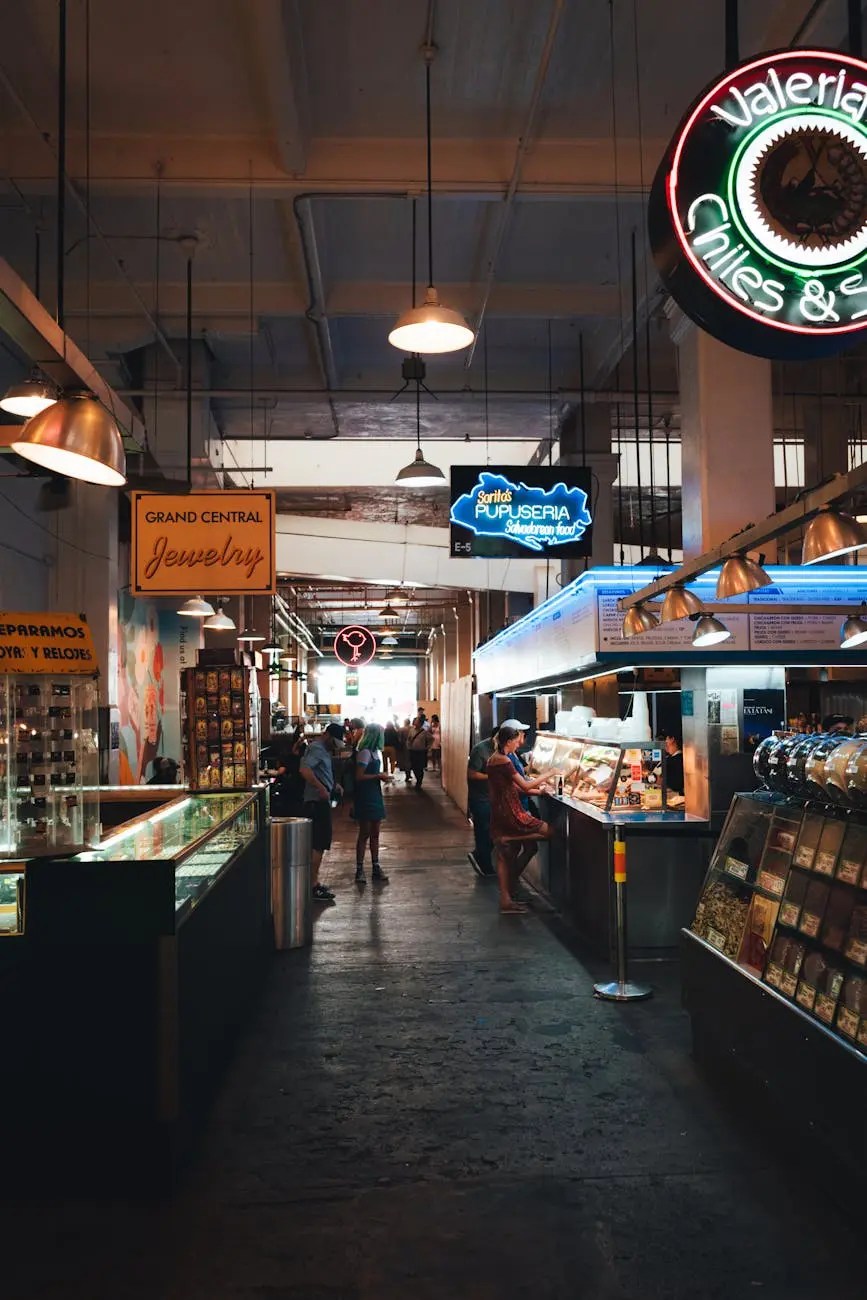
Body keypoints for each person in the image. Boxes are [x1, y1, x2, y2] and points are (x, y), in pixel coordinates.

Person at [487, 726, 555, 913]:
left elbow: (513, 787)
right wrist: (549, 774)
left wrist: (540, 792)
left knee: (504, 856)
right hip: (512, 810)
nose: (519, 744)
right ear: (508, 741)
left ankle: (506, 900)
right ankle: (509, 837)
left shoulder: (493, 759)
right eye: (517, 741)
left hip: (499, 810)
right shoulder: (504, 761)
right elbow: (524, 786)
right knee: (550, 832)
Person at [299, 722, 345, 904]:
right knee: (319, 842)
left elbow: (319, 772)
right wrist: (320, 788)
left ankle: (314, 882)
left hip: (321, 800)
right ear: (327, 735)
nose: (335, 747)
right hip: (316, 802)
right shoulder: (317, 749)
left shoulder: (323, 750)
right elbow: (304, 770)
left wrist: (332, 785)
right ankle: (312, 885)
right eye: (334, 742)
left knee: (320, 843)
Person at [353, 723, 393, 884]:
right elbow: (359, 776)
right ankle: (359, 868)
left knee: (375, 832)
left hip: (374, 793)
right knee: (365, 832)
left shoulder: (375, 752)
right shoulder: (364, 753)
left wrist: (380, 776)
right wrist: (378, 776)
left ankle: (376, 866)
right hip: (366, 795)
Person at [466, 726, 498, 874]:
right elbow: (471, 774)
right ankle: (485, 865)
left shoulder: (504, 750)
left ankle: (479, 855)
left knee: (491, 832)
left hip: (493, 797)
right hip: (480, 798)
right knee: (483, 831)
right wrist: (492, 776)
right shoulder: (480, 750)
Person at [408, 717, 432, 789]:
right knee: (414, 767)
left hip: (421, 752)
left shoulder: (424, 732)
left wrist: (428, 747)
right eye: (415, 721)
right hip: (413, 751)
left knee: (420, 767)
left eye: (417, 721)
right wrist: (408, 746)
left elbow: (431, 739)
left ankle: (419, 781)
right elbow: (409, 739)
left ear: (420, 723)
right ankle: (418, 779)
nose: (415, 722)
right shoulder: (411, 730)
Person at [662, 730, 684, 796]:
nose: (665, 742)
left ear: (672, 739)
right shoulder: (669, 757)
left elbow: (676, 784)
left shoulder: (678, 759)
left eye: (666, 739)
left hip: (675, 797)